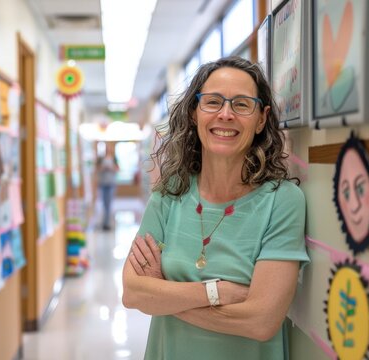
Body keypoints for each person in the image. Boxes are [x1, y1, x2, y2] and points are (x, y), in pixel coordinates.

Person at [122, 56, 310, 359]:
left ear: (261, 118)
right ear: (195, 113)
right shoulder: (170, 194)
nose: (225, 114)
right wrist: (217, 292)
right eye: (212, 102)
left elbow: (261, 322)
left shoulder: (282, 201)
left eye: (241, 104)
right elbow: (133, 294)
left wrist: (165, 295)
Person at [97, 153, 119, 230]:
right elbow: (98, 169)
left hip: (111, 184)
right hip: (103, 184)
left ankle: (106, 223)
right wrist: (103, 168)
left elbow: (117, 169)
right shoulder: (100, 158)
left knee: (108, 204)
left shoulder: (113, 158)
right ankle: (105, 222)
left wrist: (110, 168)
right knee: (104, 204)